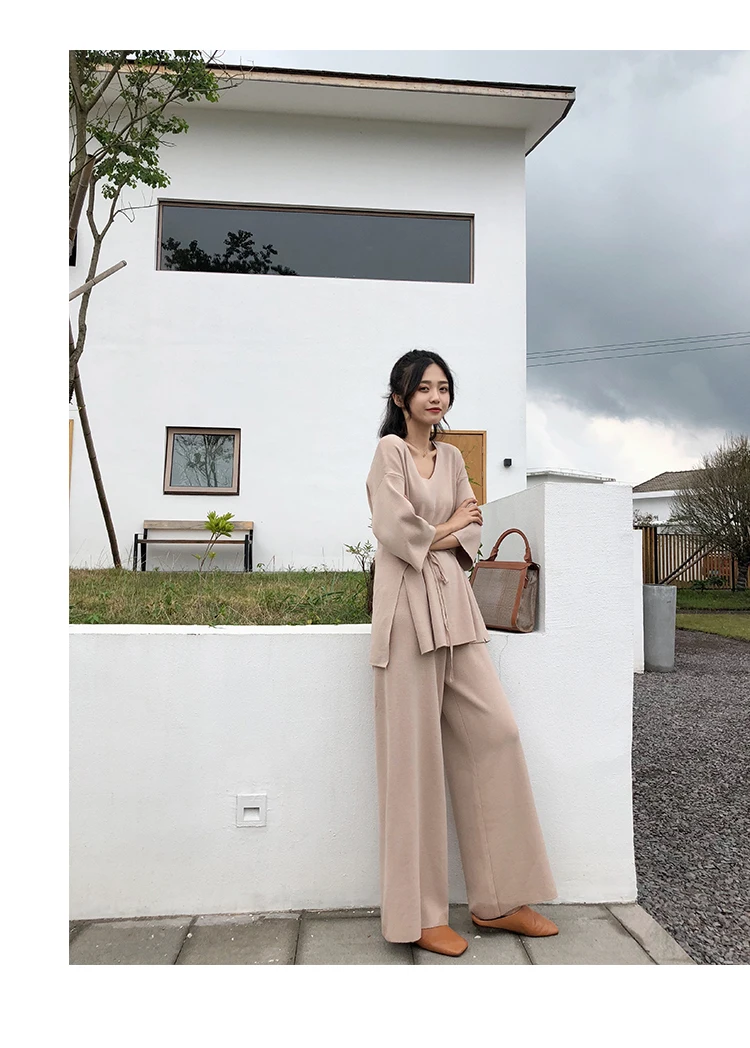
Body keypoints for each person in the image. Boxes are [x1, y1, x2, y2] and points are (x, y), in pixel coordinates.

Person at [366, 349, 559, 957]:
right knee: (413, 760)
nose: (435, 397)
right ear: (400, 397)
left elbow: (474, 525)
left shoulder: (451, 458)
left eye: (443, 388)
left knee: (495, 733)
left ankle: (498, 899)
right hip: (405, 610)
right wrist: (445, 528)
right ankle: (419, 915)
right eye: (424, 387)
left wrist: (446, 529)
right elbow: (394, 528)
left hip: (455, 605)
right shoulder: (389, 453)